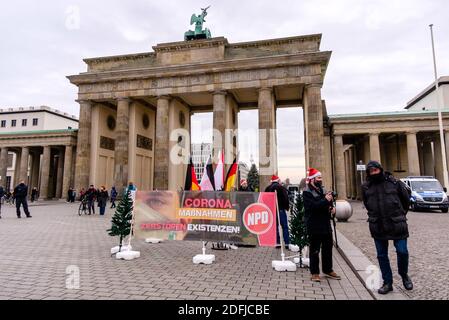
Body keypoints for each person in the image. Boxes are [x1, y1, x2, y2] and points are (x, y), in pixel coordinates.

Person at [362, 160, 413, 295]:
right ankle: (387, 282)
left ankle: (404, 274)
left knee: (402, 251)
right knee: (382, 255)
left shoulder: (394, 183)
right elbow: (367, 204)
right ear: (368, 173)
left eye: (375, 170)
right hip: (378, 225)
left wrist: (399, 214)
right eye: (371, 171)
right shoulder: (366, 187)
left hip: (397, 224)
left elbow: (406, 200)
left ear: (380, 169)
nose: (373, 173)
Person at [303, 168, 341, 282]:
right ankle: (315, 272)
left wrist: (331, 208)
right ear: (312, 179)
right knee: (315, 249)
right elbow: (312, 207)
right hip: (314, 224)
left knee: (327, 248)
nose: (320, 180)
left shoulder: (323, 190)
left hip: (325, 224)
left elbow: (327, 204)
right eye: (318, 178)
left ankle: (328, 269)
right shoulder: (307, 192)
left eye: (321, 178)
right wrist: (325, 200)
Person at [265, 175, 290, 248]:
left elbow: (265, 199)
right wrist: (287, 207)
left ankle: (277, 243)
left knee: (275, 228)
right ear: (278, 181)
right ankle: (287, 243)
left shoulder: (267, 188)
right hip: (281, 209)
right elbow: (286, 198)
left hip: (272, 210)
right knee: (284, 227)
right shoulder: (281, 187)